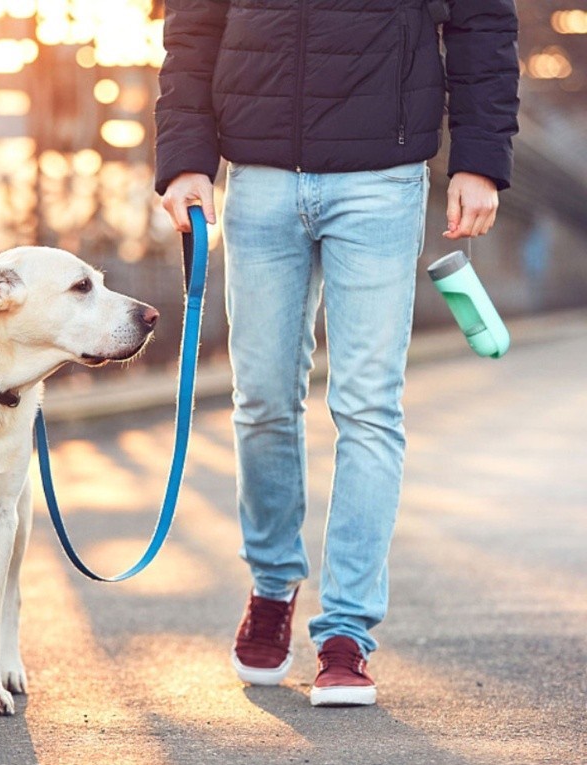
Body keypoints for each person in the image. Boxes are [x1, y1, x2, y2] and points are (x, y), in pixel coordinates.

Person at [155, 0, 519, 706]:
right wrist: (185, 161)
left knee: (368, 406)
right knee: (260, 399)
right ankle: (270, 585)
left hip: (382, 179)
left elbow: (482, 22)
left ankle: (346, 632)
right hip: (257, 177)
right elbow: (192, 28)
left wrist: (479, 158)